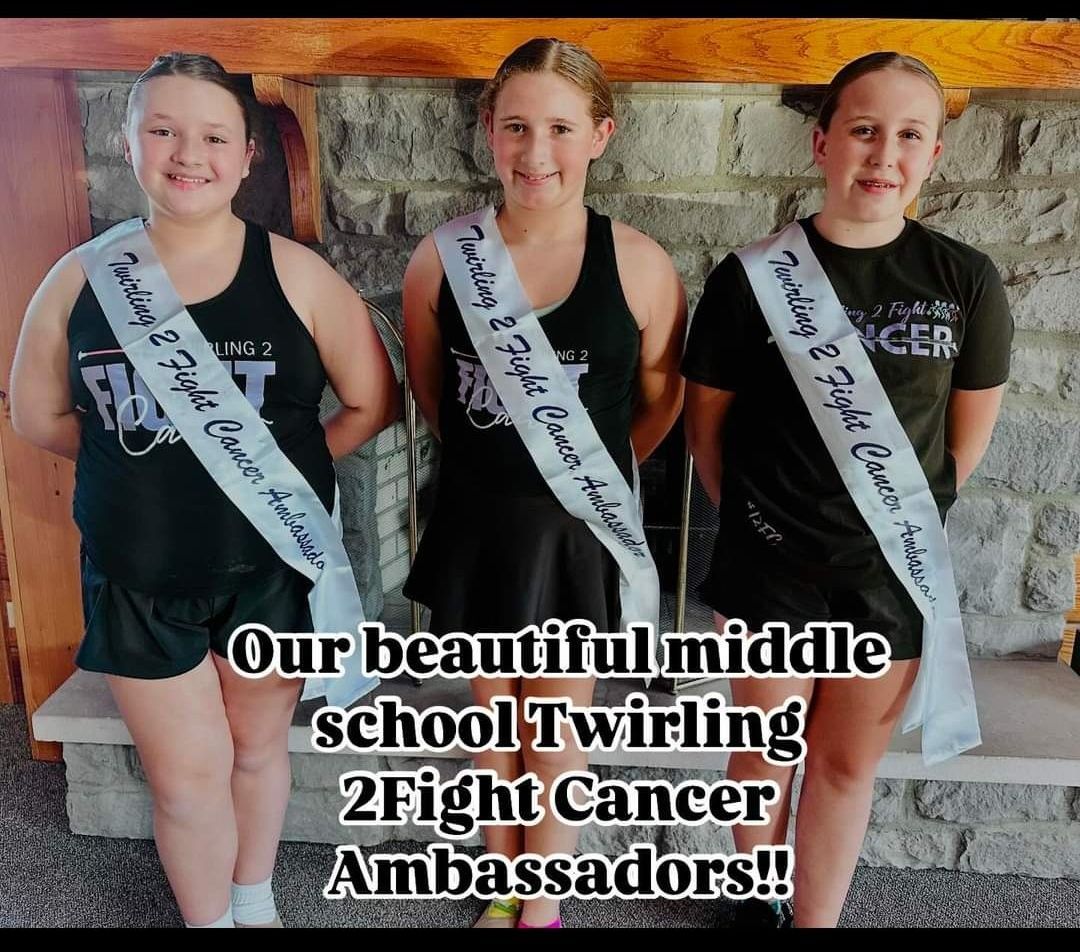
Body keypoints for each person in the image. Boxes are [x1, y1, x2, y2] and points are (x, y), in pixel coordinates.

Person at [10, 52, 399, 928]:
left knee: (257, 752)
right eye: (163, 131)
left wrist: (278, 473)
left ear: (249, 152)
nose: (189, 154)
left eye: (213, 135)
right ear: (129, 140)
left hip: (266, 573)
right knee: (185, 780)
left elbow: (375, 401)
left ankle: (253, 902)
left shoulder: (297, 275)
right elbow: (37, 415)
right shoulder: (77, 280)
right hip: (138, 580)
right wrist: (141, 469)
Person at [682, 51, 1012, 928]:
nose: (883, 154)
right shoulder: (749, 276)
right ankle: (756, 900)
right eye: (864, 129)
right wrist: (759, 522)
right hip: (768, 569)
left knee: (840, 766)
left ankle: (816, 918)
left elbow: (962, 442)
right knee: (761, 758)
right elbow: (706, 429)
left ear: (934, 156)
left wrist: (888, 525)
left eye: (909, 135)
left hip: (887, 572)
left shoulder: (964, 280)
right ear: (824, 141)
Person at [401, 37, 686, 928]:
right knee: (493, 719)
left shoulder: (640, 265)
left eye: (560, 128)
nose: (536, 152)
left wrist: (581, 480)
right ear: (488, 131)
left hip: (575, 532)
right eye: (517, 126)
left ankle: (545, 892)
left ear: (601, 135)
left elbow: (657, 404)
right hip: (478, 524)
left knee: (557, 726)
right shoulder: (440, 259)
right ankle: (499, 874)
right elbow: (431, 391)